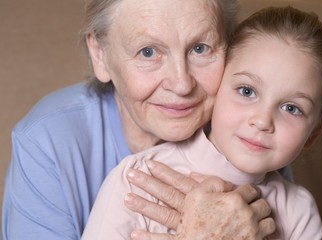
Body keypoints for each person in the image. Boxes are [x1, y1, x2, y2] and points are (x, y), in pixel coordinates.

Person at [2, 0, 276, 239]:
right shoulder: (46, 141)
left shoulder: (250, 128)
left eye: (200, 49)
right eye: (148, 52)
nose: (181, 84)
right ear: (101, 54)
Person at [81, 6, 322, 240]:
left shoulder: (299, 212)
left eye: (291, 108)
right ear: (217, 83)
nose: (263, 120)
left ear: (316, 130)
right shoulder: (136, 180)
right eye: (247, 91)